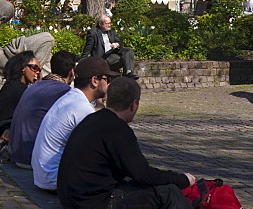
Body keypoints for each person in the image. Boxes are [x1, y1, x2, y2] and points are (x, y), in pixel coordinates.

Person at [58, 76, 195, 208]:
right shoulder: (119, 130)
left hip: (69, 197)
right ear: (134, 104)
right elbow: (143, 174)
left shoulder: (91, 119)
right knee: (169, 192)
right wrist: (182, 179)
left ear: (108, 99)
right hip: (90, 202)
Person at [31, 57, 112, 191]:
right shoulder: (82, 108)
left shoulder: (71, 98)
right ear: (95, 81)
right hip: (55, 180)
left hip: (43, 176)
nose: (109, 84)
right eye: (107, 79)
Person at [9, 50, 77, 168]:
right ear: (72, 72)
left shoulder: (34, 86)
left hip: (17, 154)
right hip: (35, 159)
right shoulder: (64, 92)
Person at [83, 15, 138, 80]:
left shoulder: (111, 31)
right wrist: (82, 61)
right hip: (103, 57)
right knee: (125, 60)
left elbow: (119, 42)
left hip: (114, 53)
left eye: (110, 23)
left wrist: (117, 44)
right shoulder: (93, 33)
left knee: (128, 50)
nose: (109, 25)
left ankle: (128, 72)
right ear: (100, 23)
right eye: (107, 23)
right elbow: (88, 48)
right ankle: (126, 76)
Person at [0, 51, 41, 123]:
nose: (37, 72)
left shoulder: (11, 84)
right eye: (34, 68)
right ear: (23, 68)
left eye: (39, 70)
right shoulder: (19, 89)